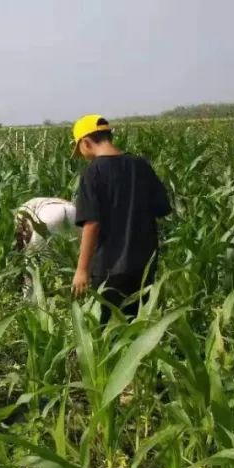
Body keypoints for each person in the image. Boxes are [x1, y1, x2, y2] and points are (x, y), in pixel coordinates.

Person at [71, 115, 171, 323]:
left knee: (108, 329)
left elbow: (92, 223)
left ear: (86, 142)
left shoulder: (93, 173)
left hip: (108, 269)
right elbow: (161, 208)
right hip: (144, 266)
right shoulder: (141, 165)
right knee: (138, 324)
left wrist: (82, 270)